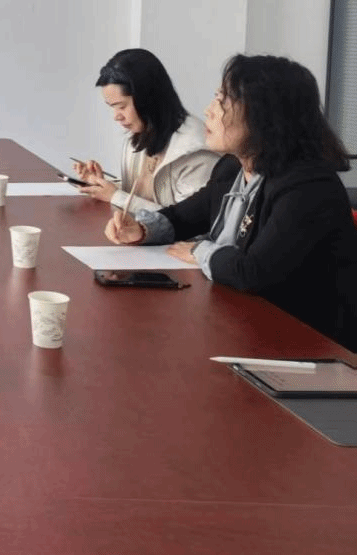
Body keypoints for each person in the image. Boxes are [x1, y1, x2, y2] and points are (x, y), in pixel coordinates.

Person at [105, 54, 357, 348]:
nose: (209, 111)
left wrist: (200, 250)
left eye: (223, 101)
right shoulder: (234, 168)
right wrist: (142, 230)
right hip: (246, 326)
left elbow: (253, 272)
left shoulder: (307, 187)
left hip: (309, 346)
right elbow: (183, 217)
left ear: (265, 115)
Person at [73, 48, 219, 211]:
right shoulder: (140, 135)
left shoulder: (196, 153)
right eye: (112, 107)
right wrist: (102, 185)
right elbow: (142, 196)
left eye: (121, 106)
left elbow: (188, 221)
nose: (116, 116)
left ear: (148, 99)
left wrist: (115, 196)